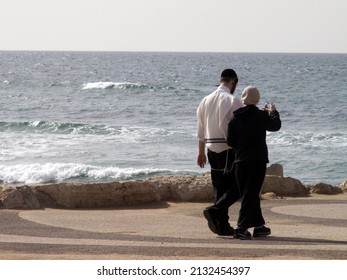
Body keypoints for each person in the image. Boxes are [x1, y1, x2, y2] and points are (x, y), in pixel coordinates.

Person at [227, 86, 281, 239]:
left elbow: (230, 142)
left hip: (240, 161)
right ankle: (241, 227)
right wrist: (273, 111)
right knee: (251, 194)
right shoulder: (261, 116)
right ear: (257, 100)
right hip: (257, 161)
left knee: (249, 193)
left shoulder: (235, 118)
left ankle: (259, 226)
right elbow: (275, 126)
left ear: (243, 99)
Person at [196, 69, 243, 236]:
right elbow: (241, 126)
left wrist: (200, 152)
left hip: (210, 149)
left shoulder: (205, 100)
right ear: (233, 81)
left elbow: (200, 130)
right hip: (228, 150)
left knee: (219, 188)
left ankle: (221, 226)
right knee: (238, 185)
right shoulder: (232, 100)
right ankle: (215, 211)